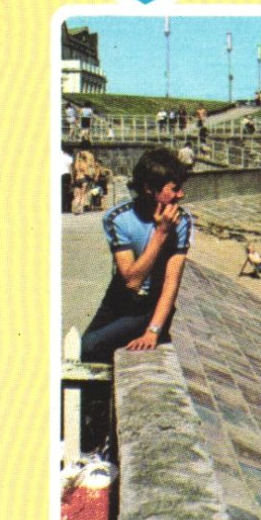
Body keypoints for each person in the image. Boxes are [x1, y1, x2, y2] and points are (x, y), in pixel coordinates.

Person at [80, 148, 193, 363]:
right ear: (150, 188)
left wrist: (154, 330)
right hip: (118, 299)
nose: (181, 195)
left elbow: (171, 283)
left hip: (150, 306)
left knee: (89, 347)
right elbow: (132, 282)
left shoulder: (182, 222)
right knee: (85, 351)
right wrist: (160, 234)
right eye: (175, 189)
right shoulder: (118, 219)